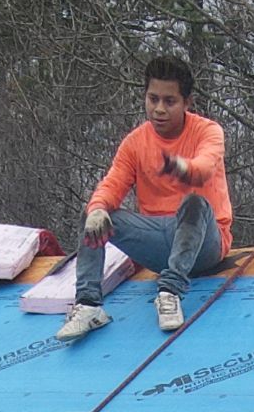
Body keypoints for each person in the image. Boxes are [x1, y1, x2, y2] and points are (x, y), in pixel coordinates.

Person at [58, 54, 234, 342]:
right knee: (94, 214)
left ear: (187, 103)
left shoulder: (207, 131)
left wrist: (180, 166)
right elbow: (113, 183)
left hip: (203, 242)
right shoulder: (135, 143)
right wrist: (99, 208)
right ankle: (89, 305)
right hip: (159, 240)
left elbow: (204, 168)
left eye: (169, 101)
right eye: (153, 99)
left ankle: (170, 292)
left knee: (195, 203)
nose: (159, 109)